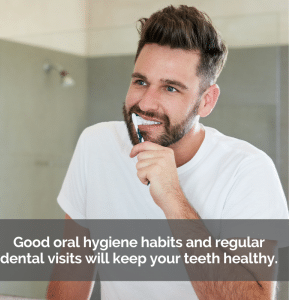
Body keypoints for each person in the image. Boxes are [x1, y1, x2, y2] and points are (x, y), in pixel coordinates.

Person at [47, 5, 289, 299]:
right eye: (140, 81)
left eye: (171, 88)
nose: (146, 103)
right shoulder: (95, 144)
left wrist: (174, 200)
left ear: (206, 101)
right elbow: (72, 270)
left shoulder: (248, 170)